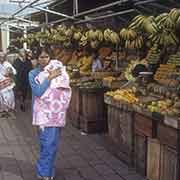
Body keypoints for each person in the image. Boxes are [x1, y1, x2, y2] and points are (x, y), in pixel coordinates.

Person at [29, 46, 71, 180]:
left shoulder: (56, 68)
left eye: (46, 56)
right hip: (43, 115)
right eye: (41, 57)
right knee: (47, 145)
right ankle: (44, 173)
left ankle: (47, 171)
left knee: (51, 145)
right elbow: (38, 92)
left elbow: (64, 84)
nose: (43, 59)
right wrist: (50, 77)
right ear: (37, 58)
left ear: (50, 57)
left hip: (56, 113)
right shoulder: (33, 74)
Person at [0, 51, 16, 117]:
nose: (1, 57)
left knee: (10, 97)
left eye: (3, 56)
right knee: (1, 98)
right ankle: (3, 111)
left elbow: (14, 71)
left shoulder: (7, 63)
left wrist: (10, 72)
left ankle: (9, 110)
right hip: (1, 84)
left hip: (8, 83)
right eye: (0, 56)